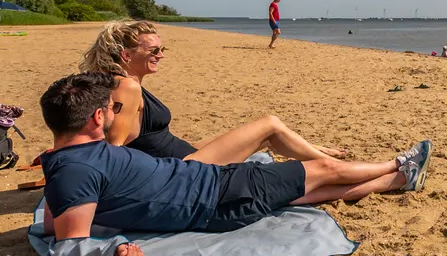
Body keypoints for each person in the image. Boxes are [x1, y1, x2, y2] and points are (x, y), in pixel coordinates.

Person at [38, 73, 430, 256]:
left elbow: (56, 221)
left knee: (312, 192)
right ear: (97, 117)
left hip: (209, 189)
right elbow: (69, 243)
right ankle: (398, 164)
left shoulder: (66, 160)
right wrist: (113, 253)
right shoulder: (77, 170)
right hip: (219, 194)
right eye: (112, 108)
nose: (116, 113)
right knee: (323, 169)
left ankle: (398, 181)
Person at [80, 20, 348, 164]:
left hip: (183, 151)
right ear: (127, 55)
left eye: (162, 49)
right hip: (184, 166)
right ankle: (331, 164)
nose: (161, 55)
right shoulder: (127, 87)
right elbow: (113, 148)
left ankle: (315, 150)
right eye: (154, 51)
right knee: (270, 125)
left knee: (260, 137)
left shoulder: (122, 83)